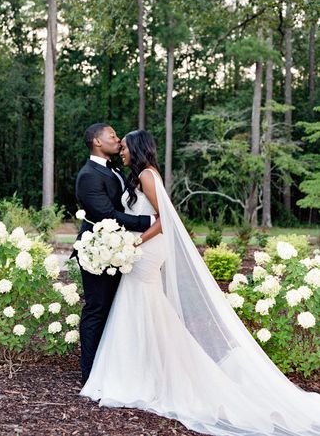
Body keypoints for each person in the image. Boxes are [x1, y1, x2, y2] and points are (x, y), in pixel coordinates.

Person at [80, 129, 320, 436]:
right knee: (141, 304)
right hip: (139, 250)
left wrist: (138, 241)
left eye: (125, 146)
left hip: (148, 250)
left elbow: (165, 219)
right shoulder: (139, 176)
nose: (122, 150)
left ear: (137, 149)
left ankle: (147, 372)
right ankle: (144, 368)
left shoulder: (149, 177)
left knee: (141, 299)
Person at [74, 123, 155, 384]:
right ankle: (90, 374)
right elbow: (106, 215)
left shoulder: (117, 171)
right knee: (97, 309)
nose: (118, 140)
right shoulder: (88, 175)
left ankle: (113, 369)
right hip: (98, 254)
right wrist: (148, 221)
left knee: (117, 310)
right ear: (97, 141)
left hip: (120, 252)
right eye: (112, 136)